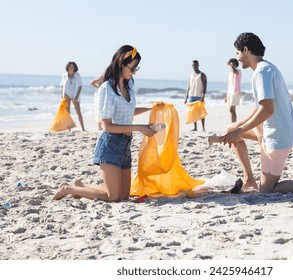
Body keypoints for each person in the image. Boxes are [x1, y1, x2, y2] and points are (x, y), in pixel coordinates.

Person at [209, 32, 293, 194]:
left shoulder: (262, 72)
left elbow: (267, 109)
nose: (237, 58)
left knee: (267, 191)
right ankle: (249, 179)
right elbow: (259, 107)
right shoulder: (264, 68)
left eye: (238, 53)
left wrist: (241, 131)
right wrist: (239, 127)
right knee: (231, 128)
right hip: (268, 128)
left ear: (246, 50)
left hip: (279, 135)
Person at [53, 45, 158, 202]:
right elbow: (107, 125)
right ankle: (68, 189)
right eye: (133, 67)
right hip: (110, 145)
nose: (134, 71)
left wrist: (151, 107)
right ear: (121, 63)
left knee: (124, 196)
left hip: (125, 146)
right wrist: (139, 128)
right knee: (113, 197)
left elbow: (127, 111)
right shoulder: (107, 89)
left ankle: (81, 184)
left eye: (137, 68)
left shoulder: (128, 84)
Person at [60, 61, 85, 131]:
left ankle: (83, 128)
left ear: (74, 68)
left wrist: (76, 96)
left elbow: (80, 86)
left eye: (72, 67)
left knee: (78, 112)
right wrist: (61, 96)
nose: (71, 68)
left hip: (75, 95)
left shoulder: (77, 75)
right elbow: (62, 86)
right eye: (70, 66)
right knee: (68, 113)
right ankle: (69, 129)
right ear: (67, 67)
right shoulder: (64, 75)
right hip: (66, 94)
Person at [184, 60, 207, 131]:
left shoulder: (202, 74)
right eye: (193, 65)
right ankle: (195, 128)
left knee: (201, 112)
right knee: (193, 113)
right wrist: (186, 97)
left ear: (198, 65)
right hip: (191, 96)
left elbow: (205, 86)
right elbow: (189, 86)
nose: (194, 66)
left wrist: (203, 96)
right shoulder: (191, 75)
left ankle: (203, 128)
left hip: (199, 96)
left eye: (195, 65)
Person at [225, 58, 242, 122]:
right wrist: (226, 96)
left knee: (232, 110)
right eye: (231, 64)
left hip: (235, 92)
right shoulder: (230, 73)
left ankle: (234, 124)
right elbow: (229, 85)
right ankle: (233, 123)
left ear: (236, 65)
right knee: (231, 110)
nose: (231, 65)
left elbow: (235, 71)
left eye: (233, 64)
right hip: (230, 93)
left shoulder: (238, 71)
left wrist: (229, 65)